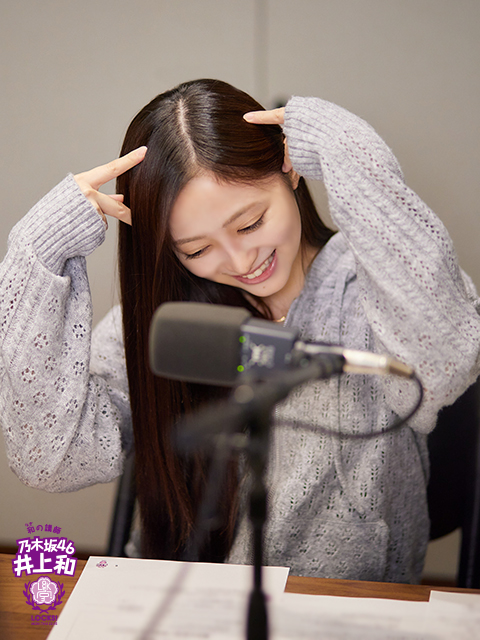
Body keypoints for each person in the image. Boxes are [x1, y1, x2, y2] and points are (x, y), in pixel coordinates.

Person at [1, 79, 479, 584]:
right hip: (173, 601)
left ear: (290, 171)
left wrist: (350, 155)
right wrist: (36, 254)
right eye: (197, 249)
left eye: (250, 224)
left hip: (342, 604)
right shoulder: (170, 319)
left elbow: (443, 367)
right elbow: (52, 461)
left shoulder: (378, 289)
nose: (240, 261)